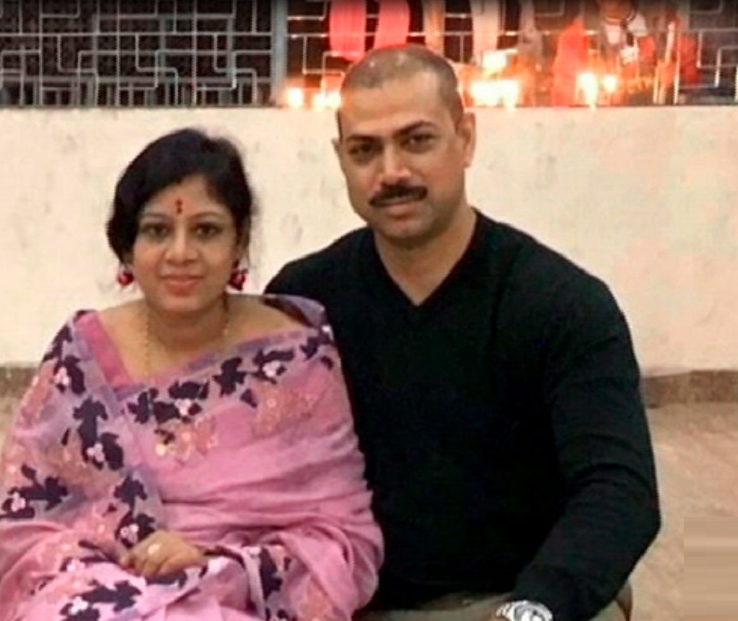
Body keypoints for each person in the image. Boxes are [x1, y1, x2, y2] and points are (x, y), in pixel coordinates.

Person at [264, 45, 660, 621]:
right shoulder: (304, 304)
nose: (392, 172)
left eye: (417, 140)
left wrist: (534, 608)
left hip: (514, 598)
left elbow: (618, 490)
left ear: (466, 138)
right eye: (365, 150)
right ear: (340, 158)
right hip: (347, 603)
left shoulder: (561, 304)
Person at [0, 128, 383, 621]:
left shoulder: (296, 357)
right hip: (98, 592)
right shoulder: (83, 354)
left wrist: (214, 563)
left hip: (238, 598)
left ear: (239, 243)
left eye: (206, 231)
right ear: (126, 247)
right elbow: (26, 519)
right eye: (157, 231)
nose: (180, 254)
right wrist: (134, 569)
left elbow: (342, 538)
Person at [551, 0, 699, 106]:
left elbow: (696, 81)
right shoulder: (575, 38)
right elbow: (563, 97)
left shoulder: (668, 27)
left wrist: (677, 78)